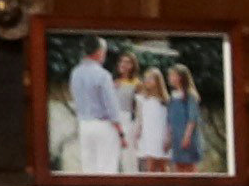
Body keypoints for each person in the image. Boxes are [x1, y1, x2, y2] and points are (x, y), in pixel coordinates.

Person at [68, 37, 125, 174]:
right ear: (99, 52)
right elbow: (111, 106)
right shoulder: (103, 75)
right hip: (103, 125)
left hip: (84, 124)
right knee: (107, 168)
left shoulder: (75, 73)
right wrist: (120, 132)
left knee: (88, 168)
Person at [132, 61, 173, 174]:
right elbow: (140, 118)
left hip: (161, 136)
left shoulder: (165, 101)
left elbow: (169, 121)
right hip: (148, 136)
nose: (147, 81)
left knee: (163, 166)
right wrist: (137, 132)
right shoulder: (143, 99)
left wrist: (168, 137)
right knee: (150, 167)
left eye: (151, 78)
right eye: (146, 78)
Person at [168, 64, 205, 172]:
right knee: (178, 166)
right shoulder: (173, 96)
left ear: (180, 77)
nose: (170, 77)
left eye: (172, 75)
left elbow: (192, 118)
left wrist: (187, 137)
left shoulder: (190, 95)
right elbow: (170, 118)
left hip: (187, 136)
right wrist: (169, 136)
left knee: (189, 166)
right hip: (176, 137)